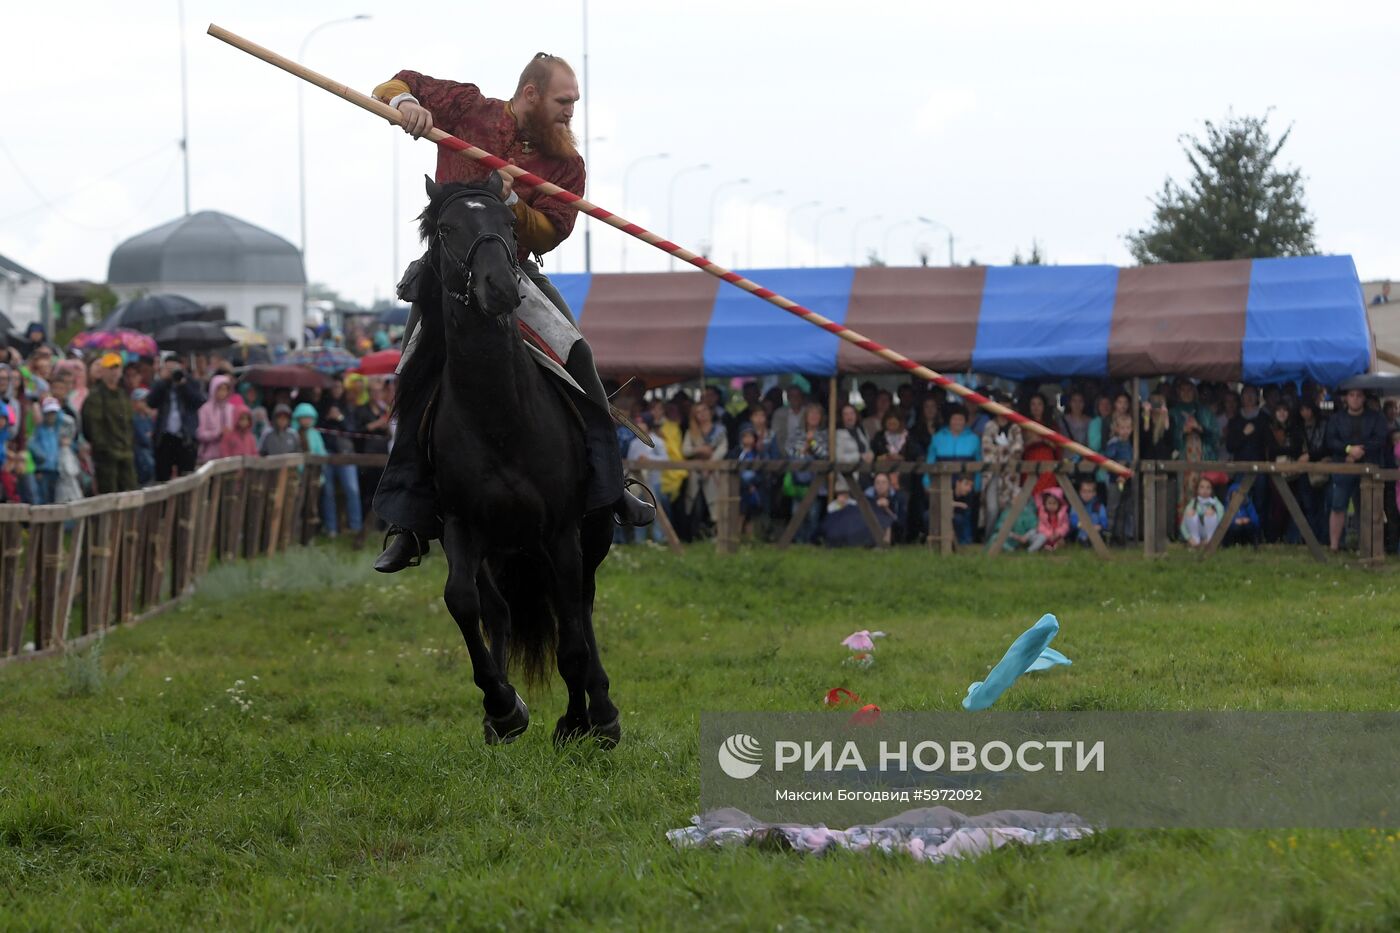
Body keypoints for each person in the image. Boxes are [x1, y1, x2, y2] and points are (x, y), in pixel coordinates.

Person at [370, 51, 652, 572]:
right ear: (530, 95)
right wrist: (406, 104)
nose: (571, 112)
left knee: (580, 356)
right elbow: (395, 82)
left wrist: (514, 203)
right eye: (563, 101)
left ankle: (610, 488)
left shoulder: (566, 164)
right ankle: (408, 518)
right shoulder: (470, 109)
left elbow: (554, 228)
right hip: (447, 277)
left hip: (516, 272)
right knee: (410, 375)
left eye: (574, 103)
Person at [1324, 387, 1388, 552]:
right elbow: (1331, 440)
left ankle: (1366, 546)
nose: (1355, 399)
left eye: (1359, 395)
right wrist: (1348, 450)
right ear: (1346, 398)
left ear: (1364, 398)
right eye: (1351, 395)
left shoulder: (1376, 417)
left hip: (1367, 467)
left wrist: (1359, 452)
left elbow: (1380, 439)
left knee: (1367, 508)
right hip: (1343, 466)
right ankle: (1334, 546)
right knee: (1338, 506)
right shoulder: (1337, 418)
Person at [82, 353, 136, 493]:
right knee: (109, 494)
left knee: (130, 492)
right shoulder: (95, 396)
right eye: (111, 368)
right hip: (107, 456)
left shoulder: (122, 394)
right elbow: (91, 427)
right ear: (103, 371)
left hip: (126, 453)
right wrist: (103, 448)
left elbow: (129, 422)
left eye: (117, 368)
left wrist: (128, 444)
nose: (114, 372)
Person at [145, 358, 205, 480]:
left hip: (185, 437)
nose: (172, 372)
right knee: (163, 477)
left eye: (174, 369)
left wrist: (183, 385)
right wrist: (163, 381)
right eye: (169, 369)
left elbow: (199, 401)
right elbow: (151, 402)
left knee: (186, 477)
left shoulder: (190, 382)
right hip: (165, 436)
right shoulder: (161, 384)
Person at [30, 397, 62, 504]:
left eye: (53, 413)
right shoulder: (38, 429)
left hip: (54, 469)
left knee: (53, 498)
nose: (51, 416)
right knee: (43, 497)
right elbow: (31, 445)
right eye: (49, 413)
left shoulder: (55, 429)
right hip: (42, 469)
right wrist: (41, 458)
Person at [1180, 476, 1225, 548]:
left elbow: (1222, 522)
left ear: (1211, 490)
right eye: (1202, 487)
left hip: (1212, 534)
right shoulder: (1193, 503)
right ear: (1197, 490)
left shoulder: (1216, 503)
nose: (1205, 490)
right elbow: (1183, 525)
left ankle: (1210, 541)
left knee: (1209, 512)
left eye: (1208, 488)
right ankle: (1195, 542)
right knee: (1190, 512)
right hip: (1197, 532)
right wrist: (1189, 538)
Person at [1068, 477, 1108, 546]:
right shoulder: (1076, 504)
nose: (1086, 494)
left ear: (1094, 493)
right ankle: (1083, 540)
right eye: (1084, 491)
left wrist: (1098, 527)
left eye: (1089, 491)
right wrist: (1081, 525)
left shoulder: (1099, 506)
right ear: (1080, 492)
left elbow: (1104, 522)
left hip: (1095, 530)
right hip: (1080, 530)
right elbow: (1073, 520)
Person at [1027, 487, 1069, 552]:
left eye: (1054, 503)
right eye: (1049, 503)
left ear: (1059, 504)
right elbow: (1041, 526)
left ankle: (1054, 547)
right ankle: (1046, 547)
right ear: (1045, 504)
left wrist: (1058, 533)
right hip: (1046, 536)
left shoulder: (1063, 514)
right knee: (1040, 539)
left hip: (1057, 536)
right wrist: (1049, 534)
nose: (1052, 506)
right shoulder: (1043, 513)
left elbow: (1065, 525)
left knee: (1061, 541)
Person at [131, 387, 156, 486]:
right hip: (139, 459)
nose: (145, 403)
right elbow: (144, 439)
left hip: (150, 457)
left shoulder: (148, 418)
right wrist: (149, 436)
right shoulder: (135, 419)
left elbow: (153, 437)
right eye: (142, 400)